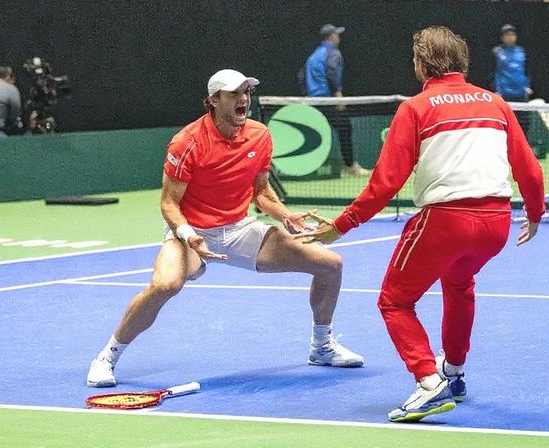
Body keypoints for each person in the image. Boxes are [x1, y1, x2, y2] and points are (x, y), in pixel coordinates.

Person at [299, 26, 545, 422]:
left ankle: (428, 381)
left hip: (446, 221)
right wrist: (534, 213)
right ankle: (454, 372)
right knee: (460, 283)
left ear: (420, 64)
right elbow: (529, 171)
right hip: (497, 223)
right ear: (461, 61)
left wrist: (341, 226)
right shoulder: (496, 103)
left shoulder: (416, 108)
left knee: (395, 300)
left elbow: (385, 184)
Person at [86, 69, 364, 388]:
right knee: (165, 284)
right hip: (191, 230)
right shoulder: (187, 142)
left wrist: (285, 215)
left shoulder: (260, 135)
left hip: (238, 228)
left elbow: (261, 191)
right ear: (214, 100)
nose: (244, 99)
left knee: (330, 265)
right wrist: (190, 238)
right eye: (235, 94)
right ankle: (106, 357)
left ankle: (322, 347)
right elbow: (168, 204)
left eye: (247, 92)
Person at [305, 24, 369, 177]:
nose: (339, 37)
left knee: (313, 131)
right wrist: (337, 92)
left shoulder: (313, 55)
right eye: (336, 34)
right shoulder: (333, 52)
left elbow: (301, 77)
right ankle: (350, 165)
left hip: (311, 100)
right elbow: (332, 71)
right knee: (345, 128)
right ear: (330, 37)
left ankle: (309, 167)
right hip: (327, 100)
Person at [492, 24, 532, 102]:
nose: (510, 37)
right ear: (502, 37)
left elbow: (528, 70)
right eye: (507, 35)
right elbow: (490, 72)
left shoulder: (522, 52)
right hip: (503, 94)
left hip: (521, 94)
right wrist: (495, 90)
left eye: (512, 35)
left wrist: (527, 86)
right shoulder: (496, 52)